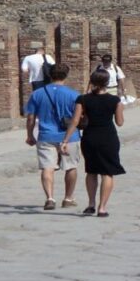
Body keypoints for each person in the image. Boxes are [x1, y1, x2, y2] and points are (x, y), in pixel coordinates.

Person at [62, 69, 125, 218]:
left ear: (92, 81)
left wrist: (65, 140)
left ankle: (90, 204)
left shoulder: (82, 99)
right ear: (107, 83)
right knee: (107, 172)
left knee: (91, 171)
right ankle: (102, 208)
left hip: (90, 137)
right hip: (108, 138)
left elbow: (75, 121)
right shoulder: (115, 100)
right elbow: (120, 122)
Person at [24, 63, 81, 210]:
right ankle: (68, 198)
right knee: (71, 167)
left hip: (46, 135)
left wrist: (30, 135)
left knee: (47, 167)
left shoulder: (37, 94)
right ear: (66, 76)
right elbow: (78, 118)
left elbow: (31, 118)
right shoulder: (74, 95)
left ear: (49, 75)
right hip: (69, 136)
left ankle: (50, 198)